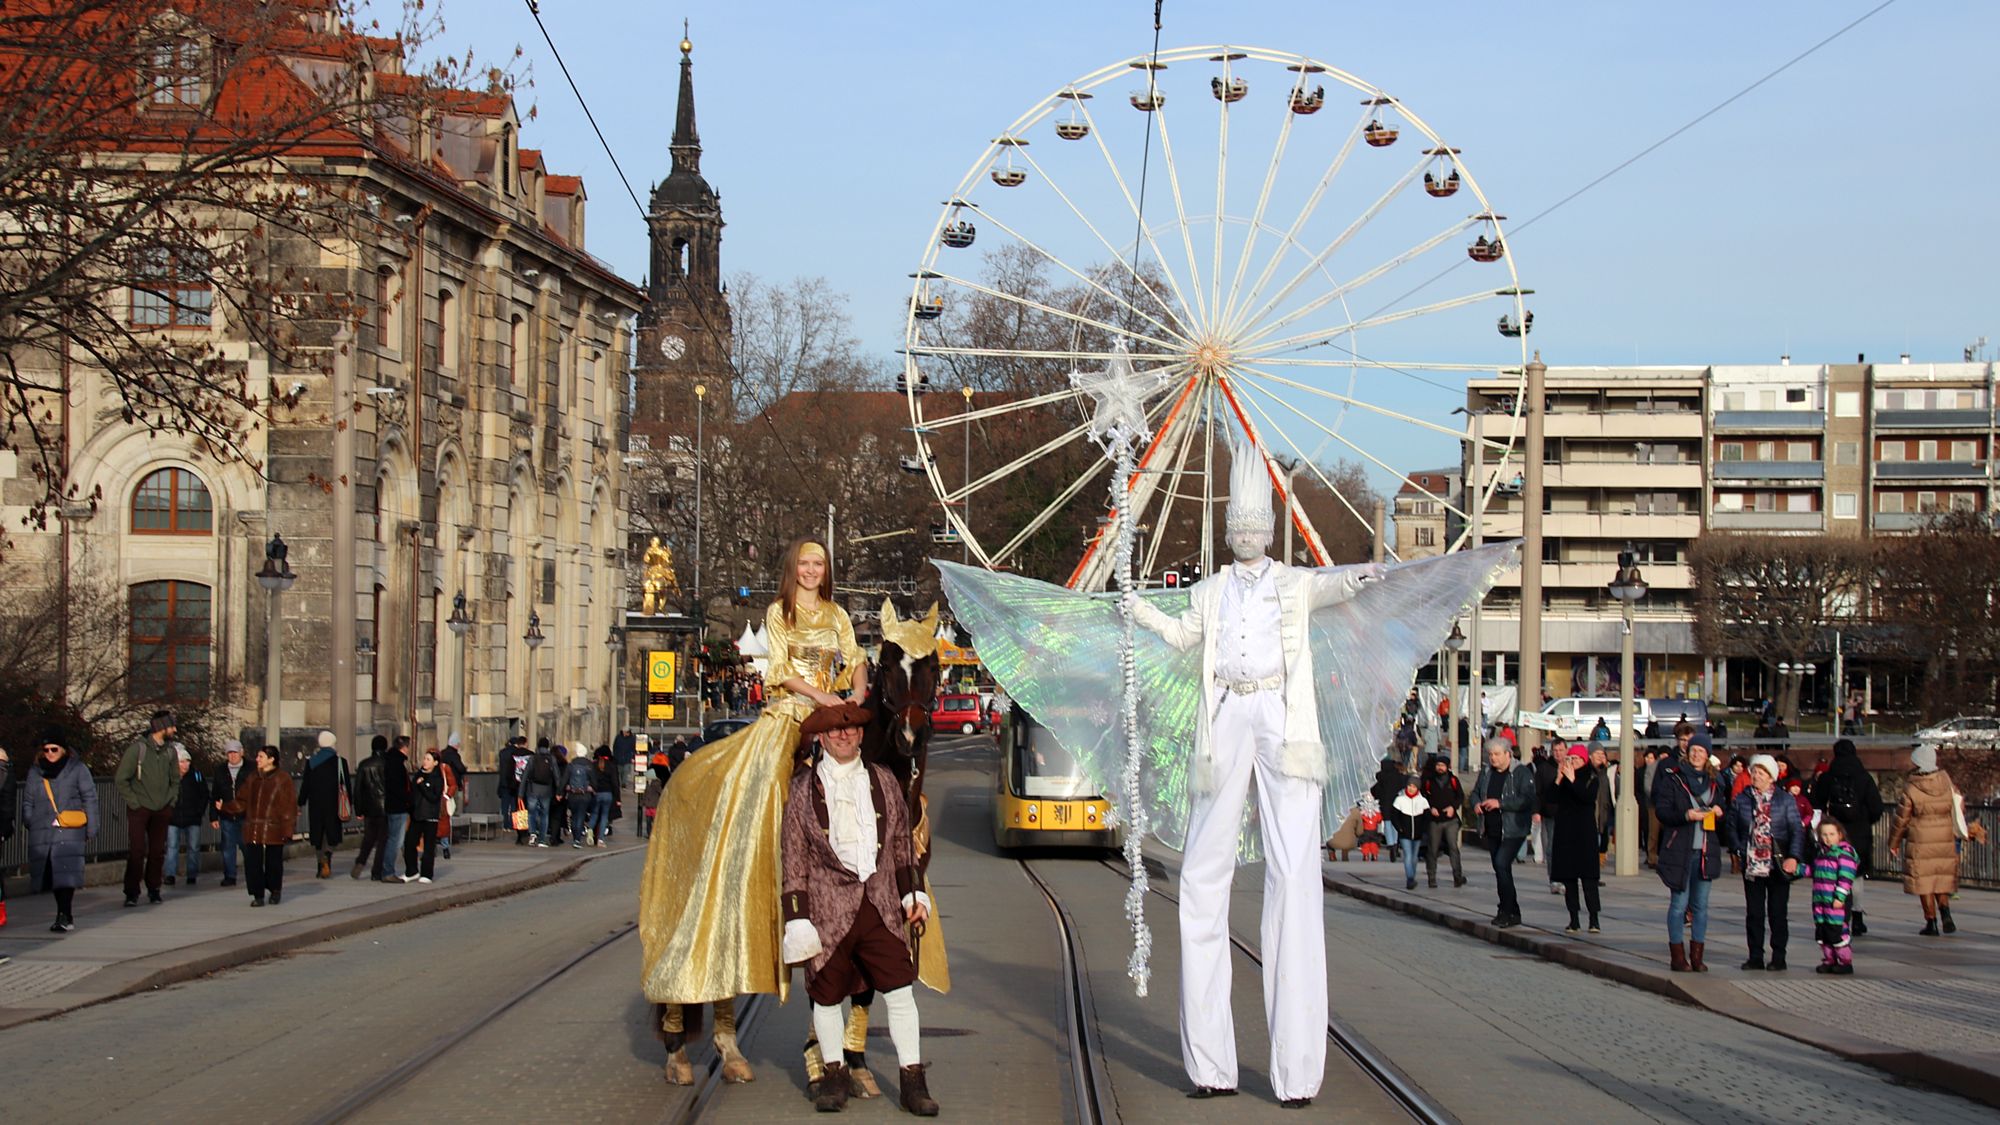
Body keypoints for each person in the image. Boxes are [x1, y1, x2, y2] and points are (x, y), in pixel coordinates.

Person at [1124, 446, 1384, 1111]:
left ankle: (1297, 1069)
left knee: (1294, 873)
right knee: (1200, 874)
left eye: (1252, 525)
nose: (1244, 534)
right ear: (1228, 531)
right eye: (1236, 525)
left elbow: (1337, 585)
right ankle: (1210, 1062)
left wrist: (1371, 573)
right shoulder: (1210, 590)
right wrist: (1136, 609)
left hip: (1280, 715)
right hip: (1226, 714)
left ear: (1265, 529)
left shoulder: (1293, 583)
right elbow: (1182, 636)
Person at [639, 537, 869, 1086]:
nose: (813, 571)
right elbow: (784, 671)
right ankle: (755, 845)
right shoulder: (778, 612)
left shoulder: (838, 613)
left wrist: (856, 698)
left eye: (820, 564)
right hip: (790, 715)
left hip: (836, 711)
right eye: (805, 564)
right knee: (769, 787)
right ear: (793, 571)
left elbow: (857, 660)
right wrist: (825, 700)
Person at [780, 702, 938, 1115]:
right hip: (828, 911)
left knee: (900, 991)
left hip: (879, 905)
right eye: (834, 733)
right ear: (822, 739)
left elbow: (903, 844)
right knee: (828, 997)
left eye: (850, 732)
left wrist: (912, 896)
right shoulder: (801, 790)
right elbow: (793, 859)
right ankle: (835, 1078)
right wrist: (797, 919)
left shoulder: (884, 780)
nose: (843, 737)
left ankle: (912, 1081)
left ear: (861, 736)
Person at [1724, 754, 1809, 971]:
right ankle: (1755, 956)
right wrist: (1738, 848)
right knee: (1754, 913)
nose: (1756, 776)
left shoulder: (1785, 799)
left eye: (1761, 773)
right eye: (1754, 772)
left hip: (1777, 864)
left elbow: (1796, 830)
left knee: (1777, 912)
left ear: (1771, 777)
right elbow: (1731, 826)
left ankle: (1778, 956)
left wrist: (1794, 857)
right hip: (1752, 863)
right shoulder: (1742, 798)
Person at [1887, 744, 1973, 936]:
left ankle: (1931, 922)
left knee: (1924, 882)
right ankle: (1946, 912)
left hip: (1920, 838)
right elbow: (1959, 805)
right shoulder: (1946, 782)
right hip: (1944, 836)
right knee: (1940, 879)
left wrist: (1893, 843)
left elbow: (1901, 819)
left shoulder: (1912, 788)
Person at [1654, 732, 1722, 972]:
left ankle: (1697, 956)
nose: (1696, 754)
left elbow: (1726, 809)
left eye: (1701, 751)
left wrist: (1719, 810)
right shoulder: (1673, 779)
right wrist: (1686, 816)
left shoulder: (1715, 783)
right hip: (1680, 851)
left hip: (1705, 852)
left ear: (1707, 755)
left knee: (1701, 907)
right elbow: (1662, 811)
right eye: (1693, 750)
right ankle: (1677, 957)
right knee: (1679, 905)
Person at [25, 727, 97, 932]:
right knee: (52, 875)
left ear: (64, 750)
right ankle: (63, 913)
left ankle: (64, 914)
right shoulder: (36, 771)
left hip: (70, 829)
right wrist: (29, 820)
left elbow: (89, 797)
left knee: (65, 873)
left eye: (54, 749)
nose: (49, 753)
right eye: (46, 750)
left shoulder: (77, 769)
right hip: (43, 829)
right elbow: (28, 800)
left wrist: (92, 827)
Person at [1811, 739, 1883, 936]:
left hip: (1834, 831)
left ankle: (1838, 913)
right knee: (1856, 875)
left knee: (1834, 873)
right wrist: (1867, 820)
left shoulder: (1828, 777)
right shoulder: (1864, 777)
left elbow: (1816, 803)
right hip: (1859, 831)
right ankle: (1857, 916)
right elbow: (1877, 807)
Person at [114, 710, 181, 906]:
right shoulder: (137, 749)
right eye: (171, 726)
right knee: (136, 850)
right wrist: (134, 802)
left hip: (162, 808)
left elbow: (175, 780)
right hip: (140, 808)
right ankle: (131, 892)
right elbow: (121, 779)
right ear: (161, 727)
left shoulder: (170, 751)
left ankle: (154, 888)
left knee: (157, 851)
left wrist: (171, 801)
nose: (174, 730)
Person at [1469, 738, 1537, 928]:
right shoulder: (1487, 772)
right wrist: (1475, 803)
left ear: (1508, 754)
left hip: (1513, 829)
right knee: (1501, 870)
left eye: (1497, 754)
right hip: (1492, 828)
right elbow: (1475, 792)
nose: (1493, 758)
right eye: (1490, 754)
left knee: (1501, 863)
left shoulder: (1521, 772)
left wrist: (1501, 803)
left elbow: (1527, 799)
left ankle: (1507, 909)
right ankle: (1510, 910)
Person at [1550, 744, 1603, 933]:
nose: (1573, 763)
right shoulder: (1563, 777)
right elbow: (1550, 799)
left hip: (1585, 833)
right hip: (1566, 833)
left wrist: (1572, 780)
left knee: (1589, 880)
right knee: (1569, 879)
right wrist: (1558, 778)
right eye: (1570, 759)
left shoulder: (1591, 777)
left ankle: (1594, 919)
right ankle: (1573, 919)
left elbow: (1587, 798)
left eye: (1577, 759)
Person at [239, 744, 296, 906]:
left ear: (271, 759)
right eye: (257, 756)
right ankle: (258, 894)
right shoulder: (253, 778)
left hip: (274, 828)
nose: (257, 759)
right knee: (252, 863)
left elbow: (288, 806)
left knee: (274, 862)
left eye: (261, 757)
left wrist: (288, 828)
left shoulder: (282, 778)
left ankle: (275, 890)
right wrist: (227, 808)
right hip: (254, 827)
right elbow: (242, 799)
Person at [1812, 819, 1860, 974]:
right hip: (1821, 901)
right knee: (1823, 931)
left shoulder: (1844, 854)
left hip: (1836, 901)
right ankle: (1829, 959)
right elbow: (1814, 871)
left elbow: (1845, 878)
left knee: (1837, 931)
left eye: (1831, 834)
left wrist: (1840, 896)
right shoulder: (1822, 854)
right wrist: (1797, 869)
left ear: (1839, 835)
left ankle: (1845, 961)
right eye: (1824, 835)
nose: (1828, 838)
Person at [299, 730, 349, 878]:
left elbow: (305, 784)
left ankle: (320, 865)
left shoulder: (311, 762)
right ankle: (328, 855)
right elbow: (346, 785)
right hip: (334, 804)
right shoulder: (340, 762)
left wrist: (300, 802)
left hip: (316, 804)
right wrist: (350, 804)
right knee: (331, 833)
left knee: (318, 835)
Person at [164, 745, 210, 887]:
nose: (185, 765)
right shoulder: (169, 777)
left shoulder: (196, 776)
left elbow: (204, 795)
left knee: (194, 847)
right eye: (182, 762)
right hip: (173, 818)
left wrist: (199, 812)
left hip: (192, 818)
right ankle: (170, 874)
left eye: (187, 761)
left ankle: (192, 874)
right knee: (172, 847)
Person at [1419, 754, 1466, 889]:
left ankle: (1457, 876)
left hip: (1451, 820)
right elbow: (1423, 797)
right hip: (1434, 820)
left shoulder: (1453, 780)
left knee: (1453, 848)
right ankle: (1431, 878)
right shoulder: (1429, 781)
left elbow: (1460, 796)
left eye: (1442, 765)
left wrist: (1453, 807)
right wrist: (1430, 808)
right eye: (1438, 765)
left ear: (1447, 767)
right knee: (1432, 850)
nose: (1440, 768)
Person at [352, 735, 391, 880]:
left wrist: (359, 809)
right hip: (385, 807)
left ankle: (361, 861)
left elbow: (358, 789)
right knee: (382, 841)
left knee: (368, 838)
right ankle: (376, 871)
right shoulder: (388, 763)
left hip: (369, 807)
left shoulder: (364, 764)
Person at [403, 748, 445, 883]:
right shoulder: (418, 775)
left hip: (430, 816)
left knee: (428, 846)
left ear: (435, 763)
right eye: (424, 759)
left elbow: (434, 797)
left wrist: (423, 786)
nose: (425, 762)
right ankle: (411, 871)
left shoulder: (437, 778)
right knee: (409, 843)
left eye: (428, 759)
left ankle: (427, 874)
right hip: (416, 814)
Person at [211, 741, 248, 887]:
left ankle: (252, 872)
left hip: (245, 815)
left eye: (235, 752)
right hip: (226, 815)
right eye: (229, 753)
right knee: (227, 847)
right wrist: (213, 815)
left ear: (241, 752)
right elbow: (215, 794)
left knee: (247, 846)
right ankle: (230, 876)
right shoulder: (220, 770)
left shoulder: (250, 769)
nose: (232, 756)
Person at [1388, 774, 1428, 890]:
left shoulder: (1423, 801)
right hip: (1404, 833)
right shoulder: (1400, 800)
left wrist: (1423, 829)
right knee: (1408, 855)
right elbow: (1394, 816)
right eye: (1409, 786)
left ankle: (1412, 876)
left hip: (1417, 833)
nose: (1411, 788)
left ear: (1418, 788)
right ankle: (1409, 878)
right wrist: (1399, 828)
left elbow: (1427, 817)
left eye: (1414, 786)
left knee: (1414, 856)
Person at [1532, 744, 1559, 891]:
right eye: (1555, 750)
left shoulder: (1572, 766)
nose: (1558, 754)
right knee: (1552, 846)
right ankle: (1554, 878)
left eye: (1561, 750)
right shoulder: (1544, 769)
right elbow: (1537, 792)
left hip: (1569, 814)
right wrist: (1536, 811)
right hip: (1551, 813)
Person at [383, 735, 413, 867]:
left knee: (392, 839)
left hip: (391, 805)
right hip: (398, 806)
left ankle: (384, 868)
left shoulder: (389, 760)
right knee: (396, 840)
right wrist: (408, 800)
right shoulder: (397, 764)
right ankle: (388, 870)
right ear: (404, 748)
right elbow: (399, 787)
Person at [523, 737, 558, 846]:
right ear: (548, 746)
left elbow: (525, 775)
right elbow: (556, 776)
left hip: (533, 789)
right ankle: (542, 840)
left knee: (531, 812)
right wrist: (559, 791)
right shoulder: (551, 758)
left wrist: (520, 792)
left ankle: (532, 833)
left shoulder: (533, 758)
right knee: (544, 814)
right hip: (546, 791)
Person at [565, 742, 598, 847]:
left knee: (574, 815)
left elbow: (564, 780)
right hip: (585, 795)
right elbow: (594, 781)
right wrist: (594, 789)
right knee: (581, 815)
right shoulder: (589, 765)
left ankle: (575, 836)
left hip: (573, 794)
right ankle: (577, 839)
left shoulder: (571, 765)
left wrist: (560, 792)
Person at [590, 748, 618, 848]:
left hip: (596, 793)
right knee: (604, 817)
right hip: (608, 794)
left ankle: (590, 829)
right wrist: (617, 798)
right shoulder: (611, 765)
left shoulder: (593, 765)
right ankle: (600, 839)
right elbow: (615, 783)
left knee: (594, 814)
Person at [613, 727, 638, 791]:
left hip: (627, 758)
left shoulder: (632, 739)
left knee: (626, 771)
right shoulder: (618, 737)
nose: (627, 733)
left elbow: (634, 748)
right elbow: (615, 747)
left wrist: (633, 757)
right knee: (619, 771)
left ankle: (624, 784)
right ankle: (620, 783)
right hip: (618, 758)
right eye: (626, 732)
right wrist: (615, 755)